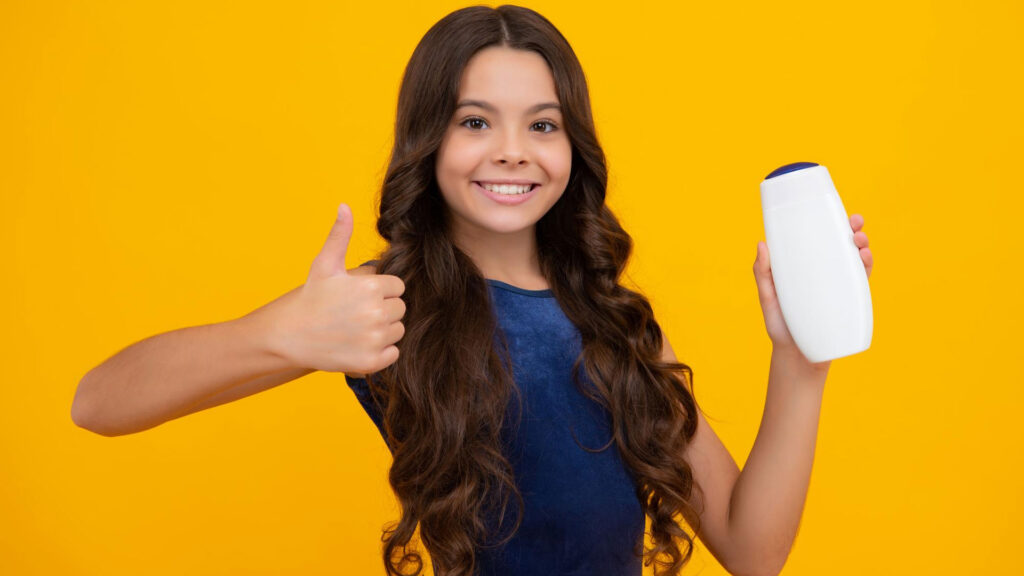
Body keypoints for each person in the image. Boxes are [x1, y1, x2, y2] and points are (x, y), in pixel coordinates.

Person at [71, 5, 875, 576]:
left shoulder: (616, 321)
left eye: (543, 124)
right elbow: (99, 402)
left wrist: (801, 360)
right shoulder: (382, 308)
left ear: (573, 144)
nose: (513, 152)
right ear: (429, 138)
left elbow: (753, 548)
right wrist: (278, 332)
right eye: (475, 122)